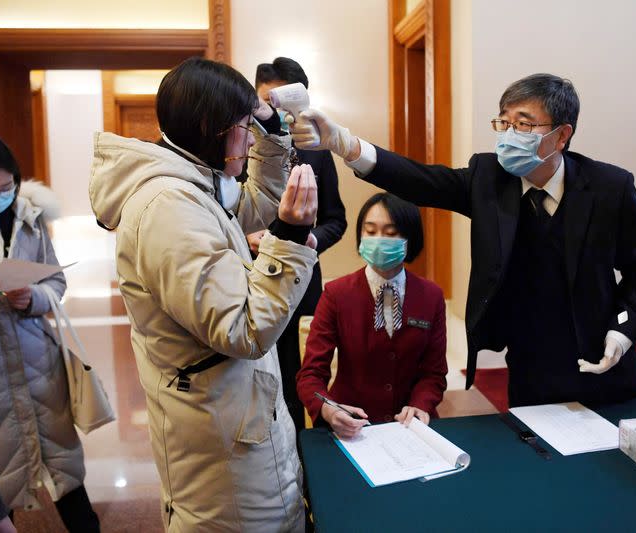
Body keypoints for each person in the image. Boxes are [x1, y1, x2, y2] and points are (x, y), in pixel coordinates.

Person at [288, 73, 636, 408]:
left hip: (602, 358)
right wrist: (345, 144)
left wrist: (623, 330)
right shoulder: (489, 178)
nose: (509, 135)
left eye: (524, 125)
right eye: (504, 122)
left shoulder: (610, 188)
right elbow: (421, 180)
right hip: (531, 362)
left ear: (562, 135)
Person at [88, 57, 318, 532]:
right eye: (243, 126)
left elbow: (257, 205)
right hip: (217, 432)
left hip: (229, 405)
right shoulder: (169, 208)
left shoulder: (195, 181)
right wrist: (291, 242)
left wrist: (273, 130)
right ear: (213, 129)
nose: (248, 136)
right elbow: (243, 328)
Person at [0, 135, 100, 532]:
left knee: (65, 468)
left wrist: (33, 296)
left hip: (38, 364)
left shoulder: (29, 219)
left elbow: (55, 282)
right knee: (2, 475)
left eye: (6, 188)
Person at [248, 56, 347, 436]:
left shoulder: (316, 150)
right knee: (263, 376)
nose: (274, 114)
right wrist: (244, 238)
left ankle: (308, 454)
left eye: (283, 104)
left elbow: (336, 220)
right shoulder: (238, 151)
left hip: (303, 283)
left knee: (303, 375)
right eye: (265, 103)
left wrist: (312, 240)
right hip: (254, 280)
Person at [296, 193, 447, 439]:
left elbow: (434, 372)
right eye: (370, 231)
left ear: (410, 238)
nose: (379, 241)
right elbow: (310, 374)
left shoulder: (431, 296)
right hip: (352, 429)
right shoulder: (337, 294)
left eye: (390, 233)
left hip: (411, 429)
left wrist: (421, 404)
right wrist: (329, 410)